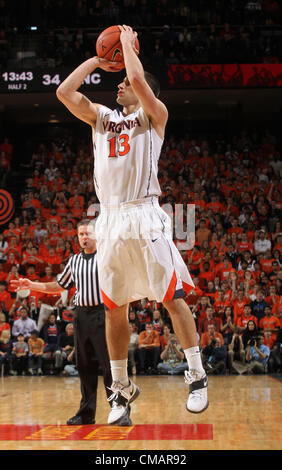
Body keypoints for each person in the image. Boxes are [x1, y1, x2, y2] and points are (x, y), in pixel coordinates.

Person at [56, 23, 208, 424]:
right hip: (109, 218)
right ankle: (120, 392)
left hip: (144, 213)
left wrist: (126, 43)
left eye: (122, 81)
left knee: (172, 298)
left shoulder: (154, 115)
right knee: (114, 309)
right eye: (118, 80)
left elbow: (139, 78)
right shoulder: (102, 119)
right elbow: (64, 93)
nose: (118, 84)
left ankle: (196, 375)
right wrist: (97, 59)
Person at [11, 220, 117, 426]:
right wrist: (32, 284)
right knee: (84, 365)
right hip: (81, 316)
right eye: (80, 234)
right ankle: (86, 413)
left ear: (97, 235)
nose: (84, 237)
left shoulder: (107, 257)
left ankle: (120, 409)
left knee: (109, 366)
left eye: (87, 233)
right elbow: (59, 285)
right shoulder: (74, 261)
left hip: (102, 314)